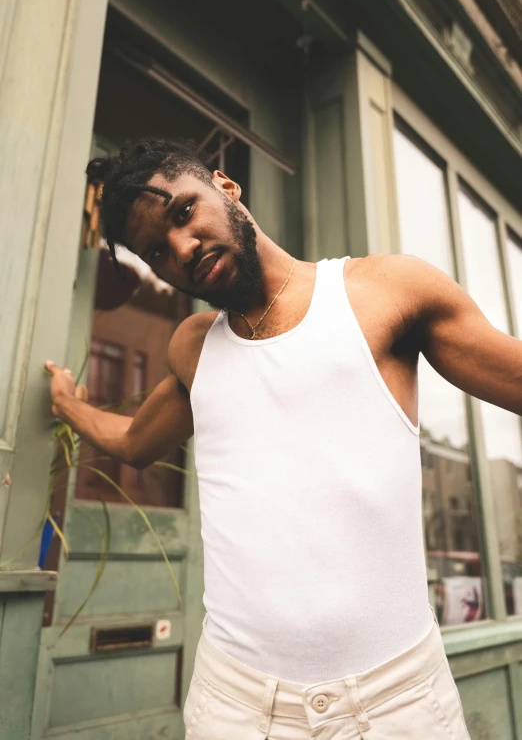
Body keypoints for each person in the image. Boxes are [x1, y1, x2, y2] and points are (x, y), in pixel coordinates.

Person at [47, 136, 519, 739]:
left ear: (226, 186)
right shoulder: (193, 348)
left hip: (399, 703)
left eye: (184, 212)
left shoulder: (381, 294)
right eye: (157, 252)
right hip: (239, 708)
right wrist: (66, 404)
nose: (182, 248)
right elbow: (136, 442)